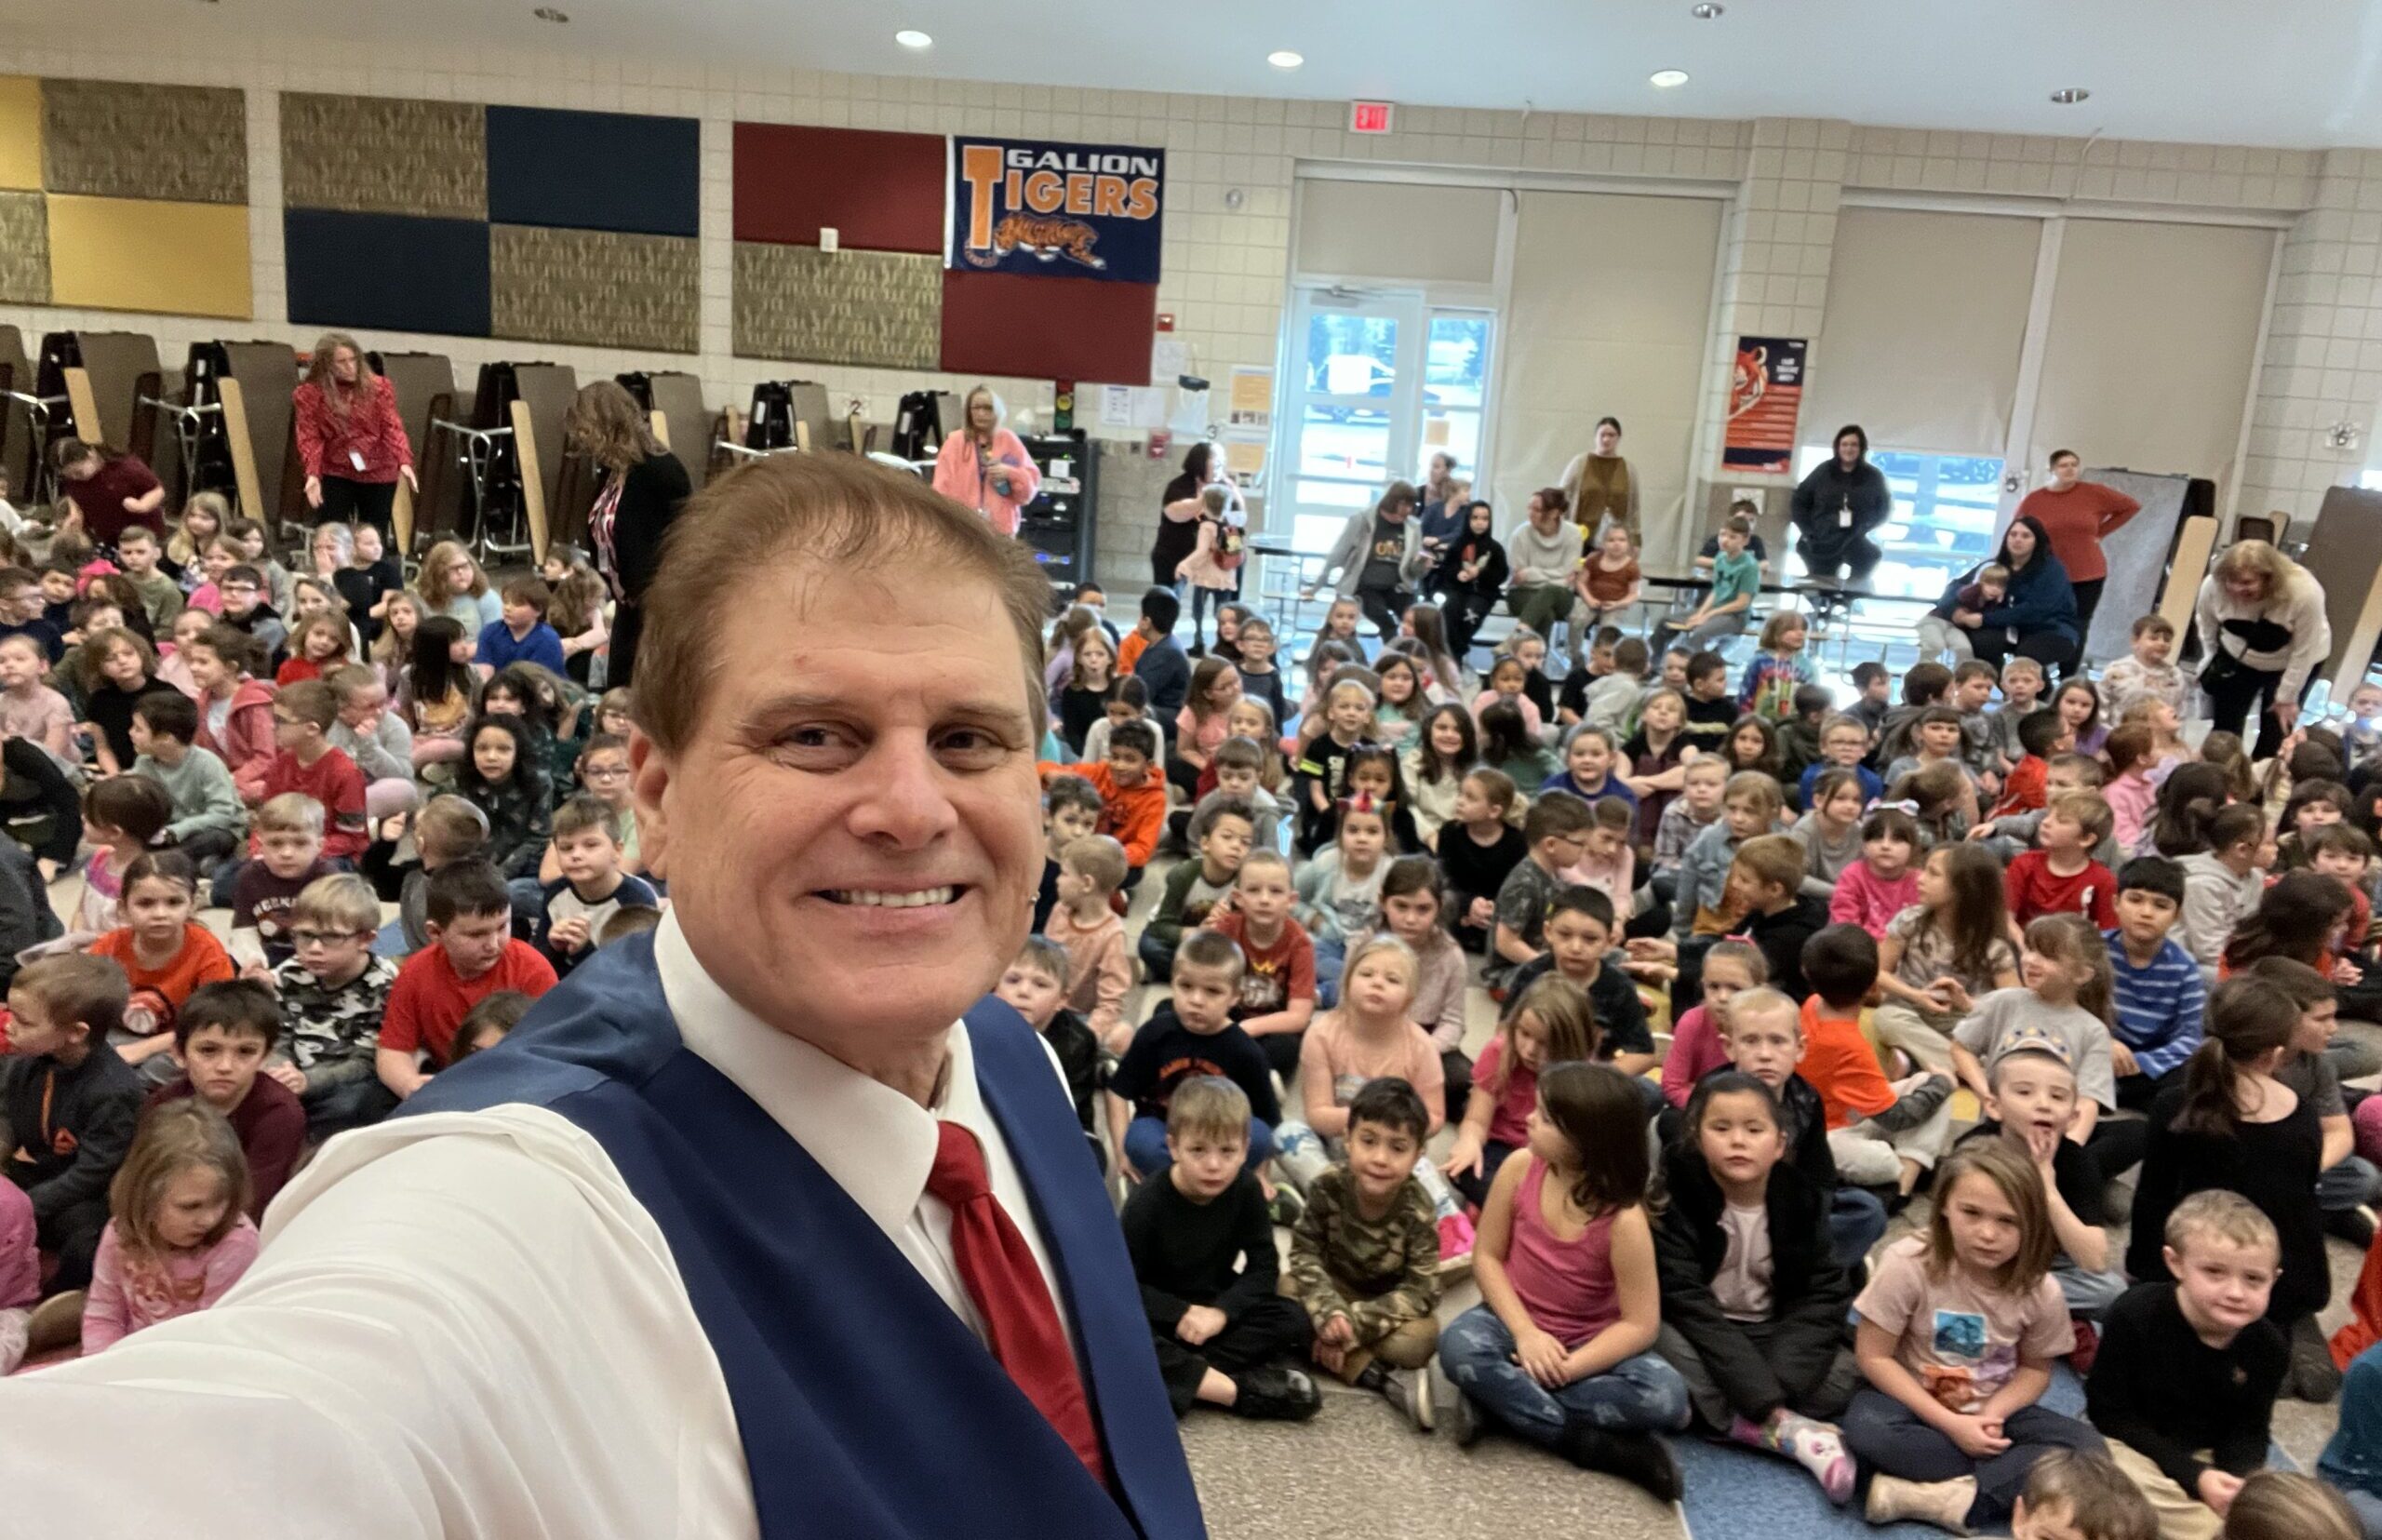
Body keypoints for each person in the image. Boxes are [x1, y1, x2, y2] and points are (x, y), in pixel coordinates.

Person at [2, 452, 1210, 1537]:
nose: (911, 805)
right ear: (658, 789)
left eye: (967, 739)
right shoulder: (523, 1199)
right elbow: (280, 1428)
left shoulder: (1010, 1056)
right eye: (816, 735)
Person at [1432, 1062, 1692, 1498]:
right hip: (1511, 1325)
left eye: (1546, 1118)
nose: (1528, 1119)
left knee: (1666, 1396)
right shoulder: (1519, 1167)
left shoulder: (1624, 1221)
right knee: (1456, 1347)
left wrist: (1571, 1369)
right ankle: (1589, 1445)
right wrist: (1525, 1333)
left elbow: (1640, 1324)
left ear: (1587, 1140)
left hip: (1588, 1345)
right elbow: (1488, 1258)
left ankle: (1501, 1409)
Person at [1846, 1142, 2106, 1533]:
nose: (1988, 1234)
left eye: (2008, 1221)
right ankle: (1987, 1489)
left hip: (1993, 1411)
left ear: (2032, 1224)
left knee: (2090, 1452)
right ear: (1945, 1206)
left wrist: (1993, 1414)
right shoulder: (1908, 1261)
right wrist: (1952, 1425)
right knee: (1870, 1431)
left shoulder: (2042, 1289)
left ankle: (1940, 1497)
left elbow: (2035, 1370)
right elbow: (1873, 1356)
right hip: (1910, 1403)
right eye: (1971, 1213)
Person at [1653, 1071, 1860, 1502]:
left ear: (1780, 1143)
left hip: (1773, 1333)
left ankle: (1746, 1420)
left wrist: (1777, 1382)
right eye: (1721, 1128)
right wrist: (1761, 1392)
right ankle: (1788, 1430)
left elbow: (1823, 1294)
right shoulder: (1676, 1200)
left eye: (1754, 1129)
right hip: (1704, 1335)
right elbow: (1686, 1302)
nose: (1738, 1141)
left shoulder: (1801, 1200)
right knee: (1653, 1337)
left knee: (1854, 1372)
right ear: (1695, 1136)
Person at [2127, 975, 2334, 1402]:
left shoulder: (2172, 1104)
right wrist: (2302, 1291)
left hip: (2193, 1268)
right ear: (2276, 1054)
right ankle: (2281, 1326)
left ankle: (2276, 1329)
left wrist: (2144, 1270)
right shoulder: (2301, 1117)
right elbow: (2301, 1210)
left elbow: (2153, 1196)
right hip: (2266, 1276)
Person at [2088, 1191, 2287, 1540]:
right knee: (2106, 1472)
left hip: (2205, 1450)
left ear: (2275, 1278)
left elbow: (2250, 1428)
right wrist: (2193, 1476)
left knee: (2282, 1504)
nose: (2236, 1292)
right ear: (2175, 1263)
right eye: (2214, 1272)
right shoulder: (2134, 1315)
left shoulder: (2269, 1344)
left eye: (2253, 1279)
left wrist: (2237, 1481)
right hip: (2129, 1442)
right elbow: (2109, 1414)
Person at [1120, 1076, 1319, 1422]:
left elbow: (1263, 1268)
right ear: (1174, 1146)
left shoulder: (1245, 1189)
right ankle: (1233, 1391)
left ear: (1244, 1149)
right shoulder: (1146, 1203)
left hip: (1212, 1308)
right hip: (1160, 1314)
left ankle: (1181, 1378)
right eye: (1198, 1150)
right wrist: (1179, 1312)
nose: (1213, 1165)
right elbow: (1120, 1287)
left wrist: (1221, 1313)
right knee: (1117, 1334)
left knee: (1291, 1318)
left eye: (1227, 1151)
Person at [1284, 1076, 1444, 1428]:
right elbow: (1304, 1252)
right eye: (1368, 1141)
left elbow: (1423, 1289)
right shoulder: (1328, 1184)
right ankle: (1378, 1377)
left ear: (1418, 1155)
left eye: (1398, 1148)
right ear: (1348, 1140)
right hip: (1332, 1287)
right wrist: (1328, 1310)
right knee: (1284, 1291)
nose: (1380, 1159)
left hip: (1384, 1305)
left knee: (1423, 1340)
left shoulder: (1419, 1208)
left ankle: (1323, 1347)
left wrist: (1354, 1324)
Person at [0, 954, 143, 1293]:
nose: (8, 1026)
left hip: (88, 1197)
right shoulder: (23, 1063)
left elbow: (95, 1171)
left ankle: (56, 1303)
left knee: (87, 1249)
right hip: (40, 1174)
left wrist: (28, 1206)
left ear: (75, 1033)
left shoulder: (113, 1090)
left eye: (24, 1021)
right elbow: (6, 1117)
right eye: (10, 1013)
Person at [78, 1098, 260, 1354]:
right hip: (130, 1360)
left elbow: (212, 1342)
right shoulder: (120, 1232)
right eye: (190, 1207)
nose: (208, 1219)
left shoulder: (237, 1243)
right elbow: (103, 1316)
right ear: (146, 1195)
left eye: (220, 1202)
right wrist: (101, 1370)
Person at [1105, 931, 1281, 1180]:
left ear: (1235, 996)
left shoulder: (1245, 1050)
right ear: (1172, 983)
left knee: (1260, 1136)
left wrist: (1261, 1175)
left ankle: (1199, 1182)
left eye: (1212, 991)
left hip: (1221, 1141)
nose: (1196, 1000)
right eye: (1186, 986)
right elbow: (1117, 1092)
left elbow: (1267, 1120)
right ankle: (1195, 1186)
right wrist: (1121, 1152)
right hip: (1163, 1130)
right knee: (1139, 1141)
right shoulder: (1155, 1033)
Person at [567, 381, 691, 690]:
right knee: (619, 696)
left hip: (657, 609)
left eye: (585, 430)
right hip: (628, 606)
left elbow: (682, 540)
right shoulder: (613, 472)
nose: (582, 440)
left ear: (607, 423)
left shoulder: (660, 471)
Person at [146, 979, 306, 1215]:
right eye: (208, 1050)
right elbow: (141, 1183)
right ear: (179, 1054)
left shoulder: (280, 1113)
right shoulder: (164, 1105)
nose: (225, 1066)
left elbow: (255, 1204)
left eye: (245, 1051)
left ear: (265, 1057)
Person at [267, 873, 401, 1137]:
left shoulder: (384, 983)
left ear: (365, 939)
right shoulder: (288, 973)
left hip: (348, 1081)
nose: (314, 948)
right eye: (304, 935)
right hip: (294, 1075)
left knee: (354, 1107)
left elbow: (366, 1061)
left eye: (331, 937)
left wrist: (309, 1082)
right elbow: (278, 1036)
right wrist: (280, 1069)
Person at [2195, 539, 2333, 759]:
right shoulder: (2212, 585)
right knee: (2225, 727)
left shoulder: (2304, 592)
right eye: (2232, 581)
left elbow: (2304, 651)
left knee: (2274, 730)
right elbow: (2207, 625)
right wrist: (2211, 660)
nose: (2237, 588)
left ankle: (2258, 784)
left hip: (2292, 661)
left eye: (2247, 583)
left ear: (2269, 578)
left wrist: (2287, 695)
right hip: (2238, 655)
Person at [291, 332, 415, 535]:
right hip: (336, 468)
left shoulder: (379, 387)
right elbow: (309, 437)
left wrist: (404, 459)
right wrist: (312, 472)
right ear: (327, 365)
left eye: (353, 360)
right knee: (331, 531)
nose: (350, 367)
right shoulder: (309, 394)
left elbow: (392, 426)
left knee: (373, 534)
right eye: (341, 362)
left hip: (378, 468)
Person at [2014, 450, 2141, 640]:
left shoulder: (2094, 493)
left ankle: (2069, 670)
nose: (2070, 469)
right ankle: (2037, 667)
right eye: (2064, 465)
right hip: (2046, 571)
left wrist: (2102, 532)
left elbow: (2131, 506)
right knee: (2038, 622)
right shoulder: (2035, 500)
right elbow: (2017, 530)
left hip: (2087, 573)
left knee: (2078, 625)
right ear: (2051, 469)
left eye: (2074, 465)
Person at [1946, 515, 2082, 678]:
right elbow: (1956, 587)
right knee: (1981, 642)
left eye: (2025, 536)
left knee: (2026, 657)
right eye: (2013, 534)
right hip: (2008, 628)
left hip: (2051, 629)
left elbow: (2036, 610)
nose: (2018, 540)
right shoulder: (1995, 566)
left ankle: (2039, 697)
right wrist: (1957, 611)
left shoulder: (2052, 569)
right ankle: (2004, 687)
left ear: (2037, 541)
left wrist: (1984, 619)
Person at [1312, 481, 1432, 643]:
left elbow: (1414, 572)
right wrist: (1316, 587)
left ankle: (1416, 658)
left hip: (1399, 587)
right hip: (1366, 587)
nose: (1407, 511)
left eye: (1411, 506)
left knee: (1418, 622)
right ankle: (1392, 660)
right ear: (1391, 502)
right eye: (1403, 506)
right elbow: (1337, 555)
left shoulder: (1413, 527)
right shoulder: (1362, 520)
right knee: (1387, 623)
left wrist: (1422, 565)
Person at [931, 384, 1040, 538]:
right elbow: (940, 491)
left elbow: (1027, 492)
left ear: (997, 411)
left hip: (1001, 534)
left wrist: (1010, 473)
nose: (981, 413)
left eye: (987, 408)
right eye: (976, 408)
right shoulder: (955, 442)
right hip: (962, 531)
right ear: (969, 411)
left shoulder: (1009, 440)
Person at [1790, 424, 1892, 584]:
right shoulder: (1822, 471)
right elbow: (1799, 501)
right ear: (1837, 447)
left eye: (1854, 445)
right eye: (1844, 444)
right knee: (1821, 585)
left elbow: (1883, 509)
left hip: (1853, 536)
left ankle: (1848, 599)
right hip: (1821, 538)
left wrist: (1865, 526)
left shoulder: (1873, 477)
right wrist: (1808, 531)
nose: (1849, 449)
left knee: (1870, 557)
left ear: (1861, 448)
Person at [50, 437, 166, 555]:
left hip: (141, 535)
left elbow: (157, 490)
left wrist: (142, 505)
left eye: (78, 472)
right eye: (69, 475)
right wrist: (75, 513)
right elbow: (74, 496)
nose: (75, 477)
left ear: (91, 454)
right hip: (107, 538)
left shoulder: (125, 468)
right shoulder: (74, 481)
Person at [1560, 415, 1640, 545]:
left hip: (1613, 543)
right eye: (1602, 435)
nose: (1606, 439)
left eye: (1611, 435)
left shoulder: (1628, 469)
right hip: (1580, 538)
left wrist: (1636, 540)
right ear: (1595, 437)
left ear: (1618, 438)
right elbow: (1561, 495)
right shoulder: (1580, 463)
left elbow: (1635, 508)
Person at [1151, 441, 1220, 589]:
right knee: (1167, 598)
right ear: (1201, 462)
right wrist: (1204, 498)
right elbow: (1174, 513)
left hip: (1204, 556)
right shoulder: (1179, 485)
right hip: (1171, 554)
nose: (1218, 463)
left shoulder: (1221, 485)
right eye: (1214, 458)